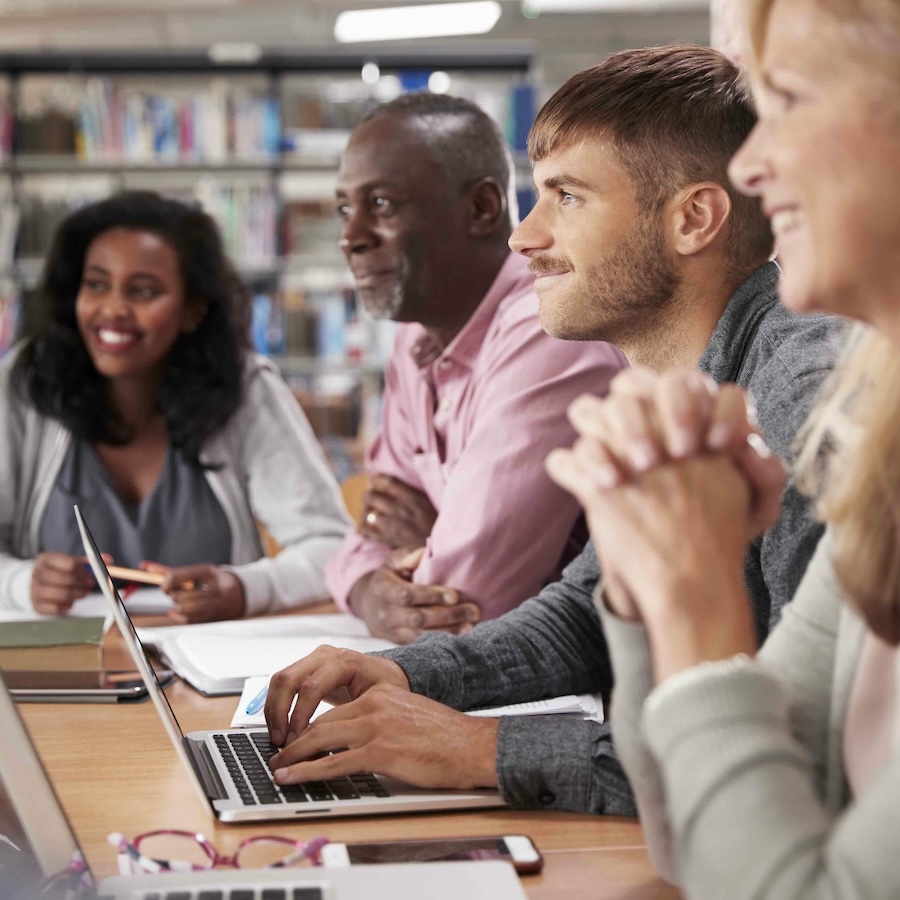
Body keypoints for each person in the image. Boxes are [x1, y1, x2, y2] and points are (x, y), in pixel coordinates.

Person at [261, 46, 842, 811]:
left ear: (693, 218)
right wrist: (408, 674)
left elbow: (806, 748)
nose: (522, 237)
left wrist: (480, 748)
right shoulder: (677, 389)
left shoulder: (806, 401)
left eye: (566, 197)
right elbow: (586, 613)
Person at [542, 0, 900, 895]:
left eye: (789, 101)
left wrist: (694, 605)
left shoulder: (803, 379)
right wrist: (642, 581)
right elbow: (699, 840)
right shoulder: (885, 448)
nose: (751, 161)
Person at [324, 92, 625, 644]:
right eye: (345, 208)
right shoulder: (416, 335)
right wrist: (369, 590)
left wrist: (430, 537)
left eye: (383, 204)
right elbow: (363, 535)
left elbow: (465, 602)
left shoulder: (548, 330)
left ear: (483, 208)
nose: (351, 237)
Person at [0, 190, 350, 621]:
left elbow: (332, 547)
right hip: (59, 673)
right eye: (95, 285)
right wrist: (20, 582)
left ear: (193, 310)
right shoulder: (21, 385)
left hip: (206, 674)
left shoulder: (246, 389)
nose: (112, 309)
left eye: (143, 291)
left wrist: (246, 588)